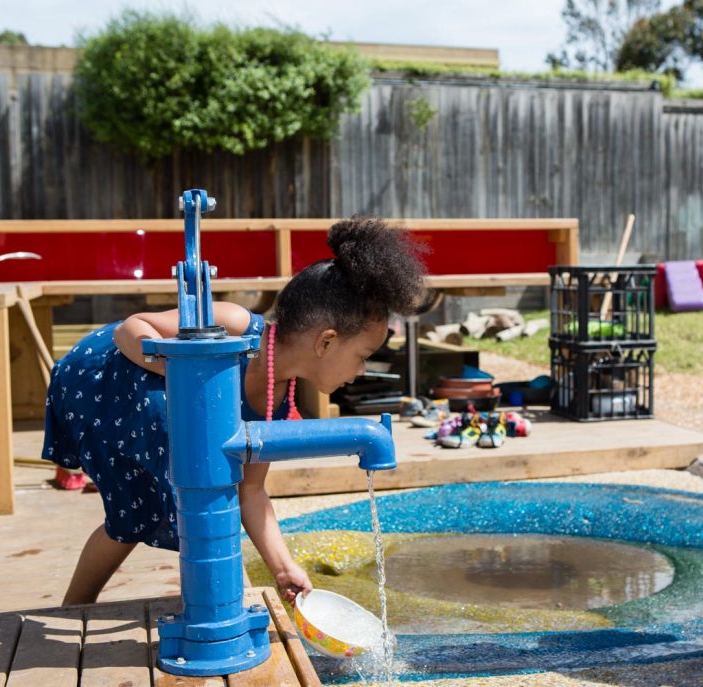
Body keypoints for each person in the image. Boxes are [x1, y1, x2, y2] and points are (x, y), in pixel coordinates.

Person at [42, 217, 426, 606]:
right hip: (106, 378)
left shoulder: (274, 403)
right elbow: (131, 328)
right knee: (185, 489)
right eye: (362, 357)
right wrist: (182, 373)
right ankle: (198, 605)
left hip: (163, 407)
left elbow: (252, 491)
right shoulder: (235, 325)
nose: (361, 372)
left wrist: (282, 567)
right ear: (326, 342)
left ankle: (74, 609)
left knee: (135, 515)